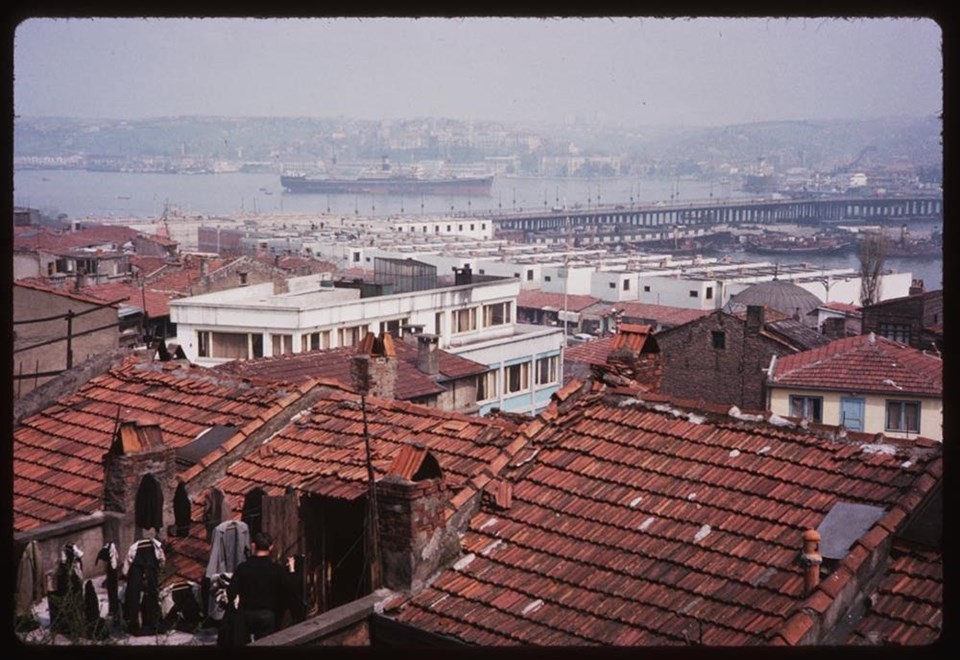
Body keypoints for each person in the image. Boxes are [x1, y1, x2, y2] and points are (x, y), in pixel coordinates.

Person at [226, 531, 288, 642]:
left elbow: (231, 592)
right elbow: (284, 594)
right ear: (271, 547)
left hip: (246, 613)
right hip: (268, 614)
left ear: (253, 546)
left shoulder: (243, 568)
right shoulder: (277, 569)